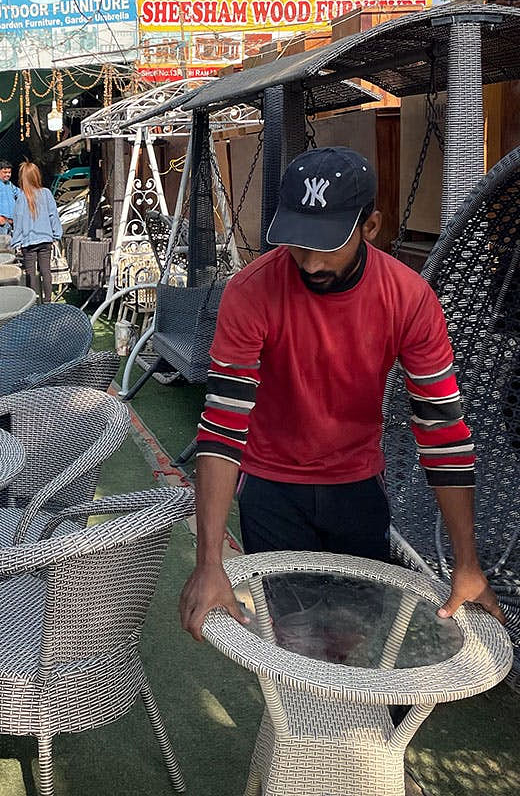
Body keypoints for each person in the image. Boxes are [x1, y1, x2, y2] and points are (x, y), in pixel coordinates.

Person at [178, 146, 504, 642]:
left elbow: (441, 431)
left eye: (326, 242)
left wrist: (468, 564)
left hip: (357, 484)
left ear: (370, 227)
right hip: (271, 488)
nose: (308, 262)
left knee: (358, 636)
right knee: (292, 641)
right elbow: (223, 427)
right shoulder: (249, 292)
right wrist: (209, 563)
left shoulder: (409, 299)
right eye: (296, 241)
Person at [12, 161, 62, 303]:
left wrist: (16, 241)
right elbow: (54, 215)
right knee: (46, 271)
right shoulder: (46, 193)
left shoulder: (22, 197)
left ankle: (32, 301)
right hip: (46, 239)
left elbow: (18, 221)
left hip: (28, 241)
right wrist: (56, 235)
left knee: (30, 273)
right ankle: (48, 300)